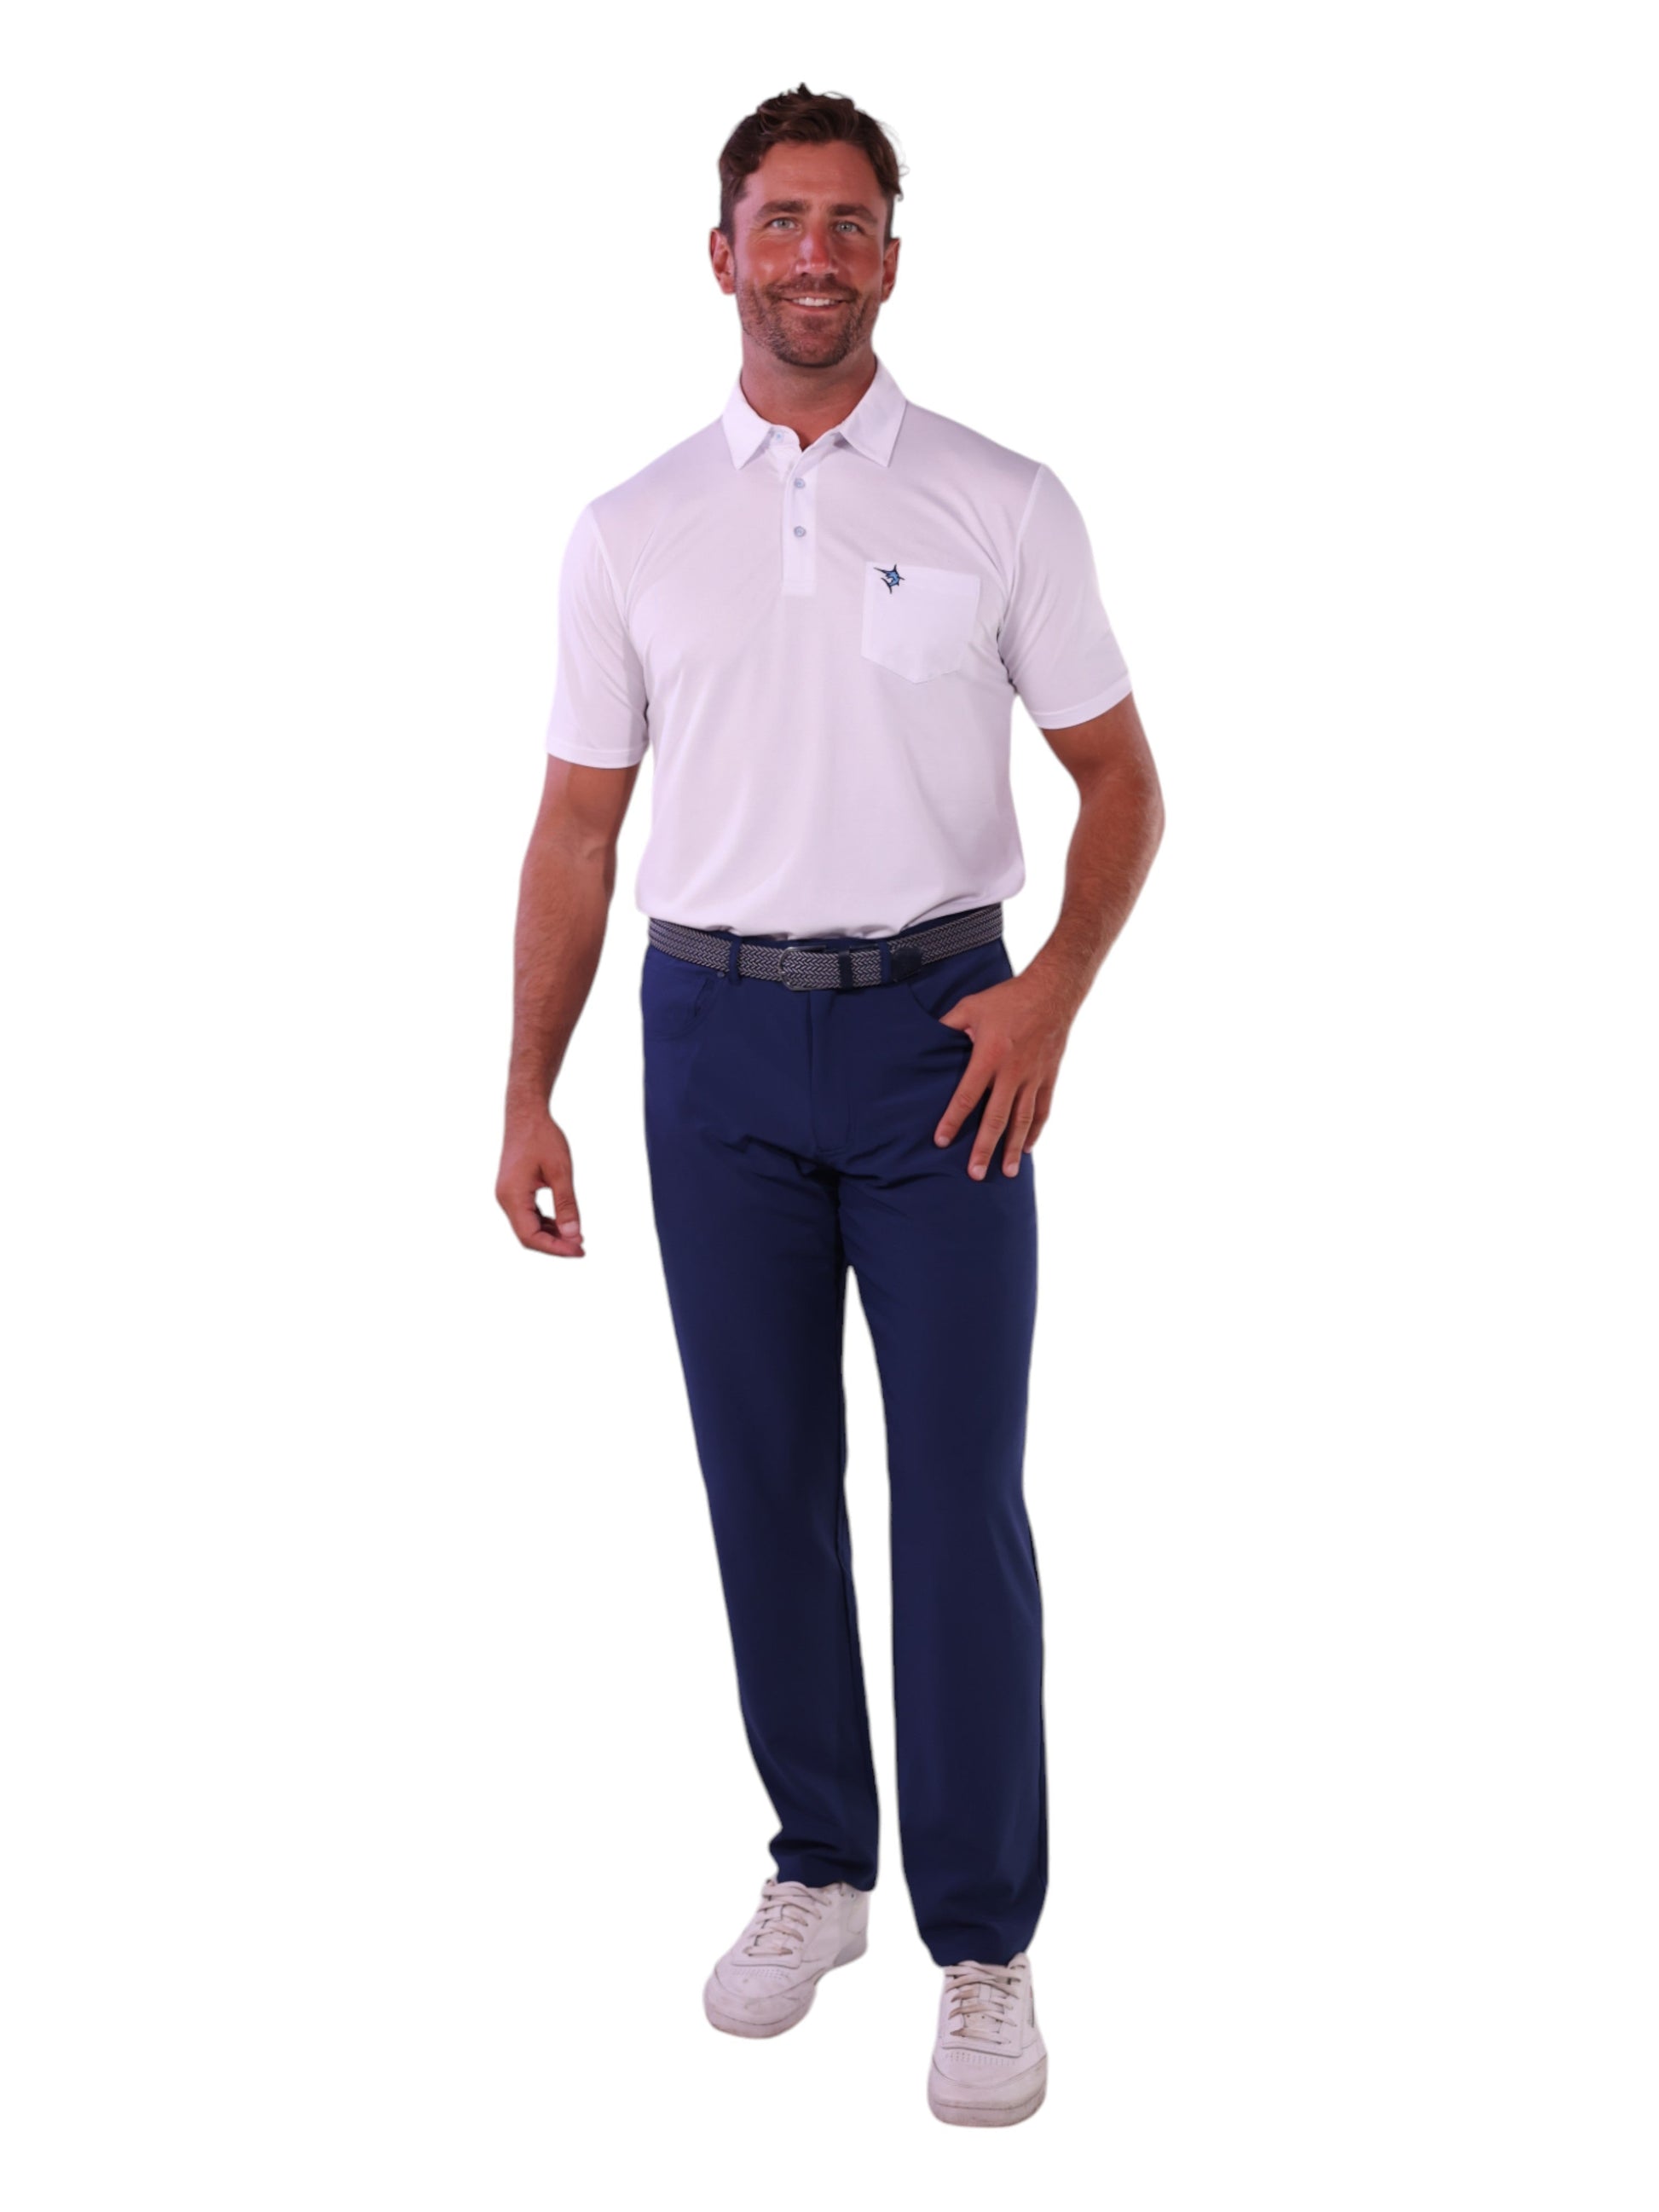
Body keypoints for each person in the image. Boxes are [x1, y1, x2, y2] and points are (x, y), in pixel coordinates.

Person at [497, 83, 1165, 2128]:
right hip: (708, 1039)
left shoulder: (999, 500)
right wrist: (525, 1087)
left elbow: (1121, 784)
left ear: (891, 256)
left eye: (848, 221)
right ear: (722, 254)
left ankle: (983, 1941)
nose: (813, 252)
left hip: (940, 1040)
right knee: (763, 1476)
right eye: (779, 219)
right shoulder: (630, 529)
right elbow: (576, 830)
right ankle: (818, 1864)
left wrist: (1049, 991)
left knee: (958, 1494)